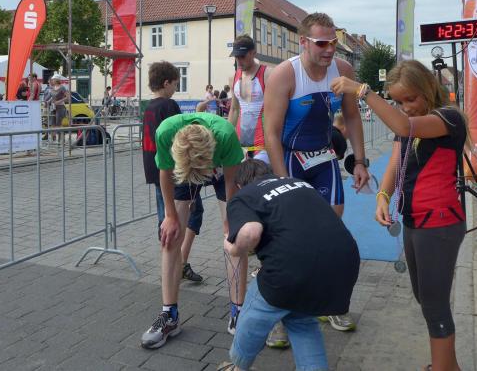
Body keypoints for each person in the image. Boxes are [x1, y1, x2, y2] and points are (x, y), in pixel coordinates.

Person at [331, 59, 467, 371]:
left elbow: (404, 127)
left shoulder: (448, 118)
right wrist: (383, 196)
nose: (405, 107)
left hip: (440, 222)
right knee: (425, 298)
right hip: (414, 220)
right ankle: (449, 366)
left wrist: (362, 91)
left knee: (435, 305)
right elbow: (395, 161)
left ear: (428, 89)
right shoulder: (407, 121)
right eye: (399, 101)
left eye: (411, 99)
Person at [262, 12, 369, 342]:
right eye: (322, 43)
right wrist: (283, 182)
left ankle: (328, 301)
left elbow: (352, 117)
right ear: (304, 42)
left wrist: (360, 161)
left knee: (330, 232)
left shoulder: (344, 70)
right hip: (290, 159)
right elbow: (271, 132)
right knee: (289, 237)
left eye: (333, 42)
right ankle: (275, 312)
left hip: (323, 157)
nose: (330, 49)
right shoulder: (285, 74)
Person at [217, 159, 360, 371]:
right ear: (269, 172)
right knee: (301, 320)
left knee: (253, 313)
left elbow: (250, 233)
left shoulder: (244, 195)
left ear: (239, 185)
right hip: (345, 260)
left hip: (291, 269)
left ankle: (237, 366)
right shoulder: (298, 183)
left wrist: (232, 248)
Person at [141, 112, 245, 349]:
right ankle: (170, 316)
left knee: (234, 236)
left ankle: (238, 312)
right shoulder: (165, 132)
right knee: (170, 237)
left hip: (221, 171)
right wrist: (170, 216)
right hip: (185, 169)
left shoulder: (226, 135)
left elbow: (231, 181)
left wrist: (231, 220)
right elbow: (164, 173)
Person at [142, 61, 205, 284]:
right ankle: (175, 265)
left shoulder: (149, 107)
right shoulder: (169, 106)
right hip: (175, 172)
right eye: (176, 84)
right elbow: (182, 139)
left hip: (156, 170)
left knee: (167, 218)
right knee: (187, 214)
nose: (176, 89)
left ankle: (175, 264)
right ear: (166, 83)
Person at [228, 35, 269, 159]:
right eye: (236, 57)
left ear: (253, 53)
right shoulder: (233, 78)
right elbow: (234, 109)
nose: (239, 61)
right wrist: (227, 136)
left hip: (263, 143)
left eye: (243, 56)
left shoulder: (268, 74)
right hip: (241, 143)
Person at [46, 74, 69, 141]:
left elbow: (67, 97)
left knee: (58, 123)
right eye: (52, 79)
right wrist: (48, 101)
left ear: (57, 80)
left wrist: (59, 101)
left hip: (60, 107)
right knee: (52, 123)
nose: (52, 80)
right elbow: (52, 97)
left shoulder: (62, 87)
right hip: (53, 107)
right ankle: (54, 138)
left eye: (53, 79)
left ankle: (61, 139)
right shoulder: (53, 87)